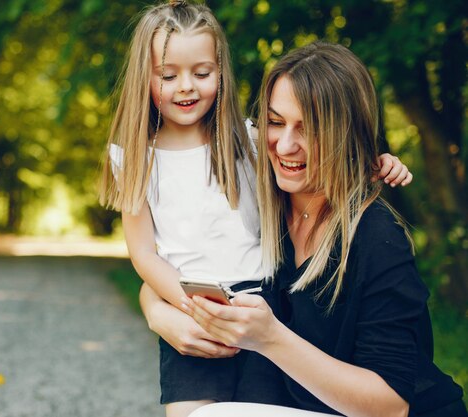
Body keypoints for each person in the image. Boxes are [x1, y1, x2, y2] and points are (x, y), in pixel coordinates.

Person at [99, 2, 413, 416]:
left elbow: (328, 162)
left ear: (221, 72)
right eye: (168, 75)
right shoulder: (138, 160)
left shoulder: (247, 144)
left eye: (202, 73)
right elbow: (143, 254)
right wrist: (173, 308)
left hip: (260, 304)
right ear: (146, 77)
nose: (186, 87)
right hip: (195, 307)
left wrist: (374, 163)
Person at [176, 41, 467, 417]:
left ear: (346, 134)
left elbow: (391, 406)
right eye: (276, 122)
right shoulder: (259, 212)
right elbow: (166, 253)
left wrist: (271, 338)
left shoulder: (376, 237)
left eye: (308, 129)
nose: (285, 144)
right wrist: (157, 313)